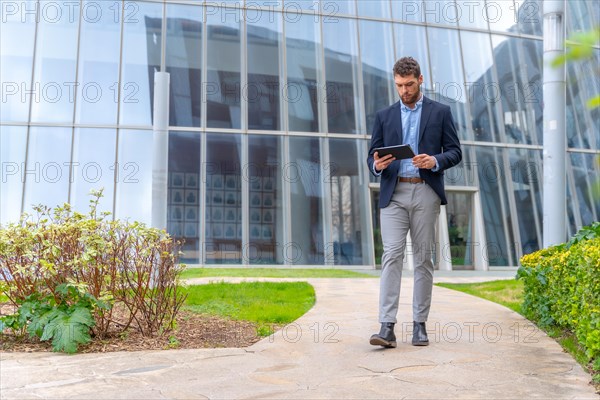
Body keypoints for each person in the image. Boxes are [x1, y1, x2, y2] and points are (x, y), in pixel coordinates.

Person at [367, 57, 462, 348]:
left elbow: (456, 152)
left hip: (425, 192)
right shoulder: (384, 115)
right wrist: (377, 165)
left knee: (423, 259)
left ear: (420, 80)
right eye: (399, 85)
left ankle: (420, 325)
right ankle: (386, 327)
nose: (404, 90)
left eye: (409, 84)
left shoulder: (441, 112)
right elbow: (372, 155)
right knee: (392, 254)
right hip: (394, 193)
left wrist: (434, 160)